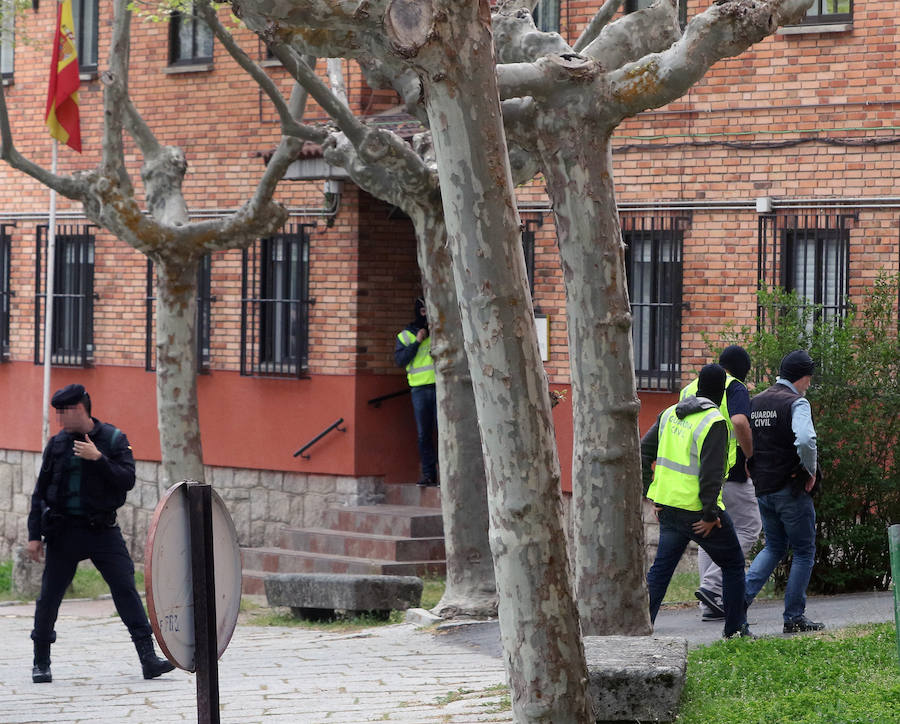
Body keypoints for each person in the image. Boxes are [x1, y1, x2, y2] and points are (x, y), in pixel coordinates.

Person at [26, 384, 175, 683]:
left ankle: (148, 658)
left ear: (79, 410)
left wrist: (99, 458)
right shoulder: (56, 445)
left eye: (63, 413)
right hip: (64, 531)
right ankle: (41, 661)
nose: (59, 420)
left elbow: (127, 480)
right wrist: (34, 535)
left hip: (102, 531)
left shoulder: (114, 439)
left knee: (125, 589)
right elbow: (40, 493)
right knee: (49, 597)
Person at [642, 364, 754, 639]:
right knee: (733, 564)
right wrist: (709, 514)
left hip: (668, 507)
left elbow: (643, 451)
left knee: (661, 570)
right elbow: (711, 474)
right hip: (698, 513)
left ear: (698, 386)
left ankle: (640, 628)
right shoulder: (713, 422)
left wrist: (651, 494)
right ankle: (736, 629)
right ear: (722, 393)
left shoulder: (669, 414)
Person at [745, 350, 825, 633]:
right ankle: (794, 617)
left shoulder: (757, 401)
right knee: (804, 550)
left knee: (774, 546)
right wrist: (810, 470)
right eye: (809, 379)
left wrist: (752, 463)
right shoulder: (797, 403)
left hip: (763, 487)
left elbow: (745, 435)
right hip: (790, 488)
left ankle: (736, 603)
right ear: (804, 378)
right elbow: (805, 439)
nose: (809, 384)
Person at [680, 345, 762, 621]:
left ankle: (710, 602)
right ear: (741, 370)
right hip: (729, 471)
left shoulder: (690, 387)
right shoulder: (735, 386)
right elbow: (739, 421)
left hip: (694, 472)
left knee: (709, 533)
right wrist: (750, 456)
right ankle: (712, 586)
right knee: (750, 526)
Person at [394, 297, 438, 487]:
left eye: (429, 311)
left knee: (444, 433)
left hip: (439, 388)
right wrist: (417, 342)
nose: (426, 315)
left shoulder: (439, 331)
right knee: (424, 435)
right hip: (419, 390)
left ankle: (446, 475)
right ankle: (429, 475)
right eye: (422, 311)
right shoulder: (406, 335)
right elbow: (400, 360)